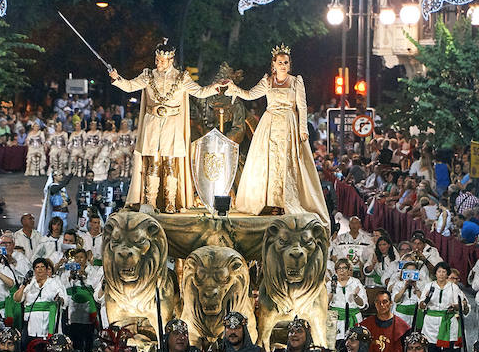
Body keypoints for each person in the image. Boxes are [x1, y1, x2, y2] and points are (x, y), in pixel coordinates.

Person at [110, 39, 223, 213]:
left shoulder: (181, 77)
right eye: (157, 60)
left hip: (172, 124)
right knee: (153, 163)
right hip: (152, 122)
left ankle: (170, 201)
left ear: (170, 60)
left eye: (162, 61)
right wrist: (117, 78)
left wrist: (214, 88)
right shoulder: (148, 75)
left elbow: (199, 92)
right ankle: (151, 201)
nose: (158, 63)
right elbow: (131, 86)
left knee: (171, 163)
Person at [226, 44, 330, 225]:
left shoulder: (295, 82)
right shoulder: (267, 81)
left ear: (289, 65)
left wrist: (302, 128)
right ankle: (271, 202)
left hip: (288, 124)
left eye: (286, 62)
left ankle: (285, 201)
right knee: (269, 163)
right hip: (270, 123)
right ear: (273, 64)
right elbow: (251, 94)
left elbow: (302, 106)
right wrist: (236, 89)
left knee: (287, 163)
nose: (283, 65)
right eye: (280, 62)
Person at [13, 258, 68, 340]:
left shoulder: (54, 283)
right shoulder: (29, 283)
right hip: (31, 322)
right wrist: (24, 285)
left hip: (48, 321)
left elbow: (64, 300)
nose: (40, 269)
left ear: (46, 269)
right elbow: (17, 299)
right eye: (37, 267)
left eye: (42, 267)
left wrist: (59, 299)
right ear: (34, 269)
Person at [418, 261, 468, 352]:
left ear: (447, 274)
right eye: (439, 271)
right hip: (430, 324)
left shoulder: (453, 287)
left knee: (448, 351)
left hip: (448, 321)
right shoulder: (429, 286)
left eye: (444, 272)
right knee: (431, 350)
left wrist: (456, 306)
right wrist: (426, 300)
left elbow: (460, 305)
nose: (441, 274)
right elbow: (421, 306)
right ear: (435, 273)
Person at [328, 258, 368, 342]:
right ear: (336, 271)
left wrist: (355, 296)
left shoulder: (356, 282)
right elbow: (325, 304)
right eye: (339, 268)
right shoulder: (330, 283)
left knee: (354, 344)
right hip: (336, 320)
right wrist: (332, 289)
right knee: (336, 346)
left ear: (349, 269)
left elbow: (363, 305)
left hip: (353, 318)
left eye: (344, 268)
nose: (341, 271)